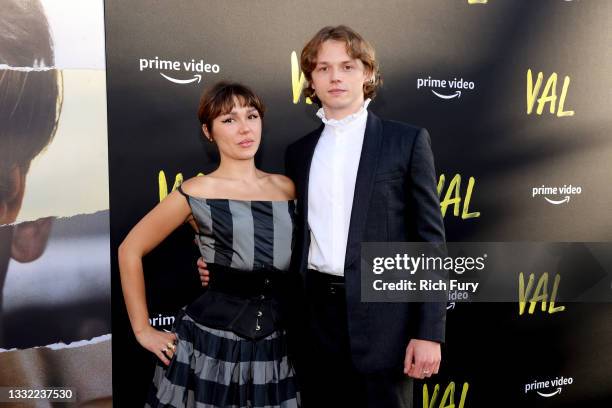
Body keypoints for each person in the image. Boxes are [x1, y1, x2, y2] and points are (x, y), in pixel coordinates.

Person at [199, 26, 446, 407]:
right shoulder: (299, 152)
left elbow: (430, 241)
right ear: (311, 78)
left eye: (347, 66)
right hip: (313, 321)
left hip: (385, 325)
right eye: (324, 68)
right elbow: (288, 236)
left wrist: (429, 332)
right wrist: (223, 265)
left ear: (367, 73)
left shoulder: (406, 141)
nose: (335, 77)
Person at [119, 82, 300, 408]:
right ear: (208, 131)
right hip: (210, 347)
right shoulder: (196, 191)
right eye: (229, 120)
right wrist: (143, 330)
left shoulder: (287, 188)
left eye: (252, 115)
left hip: (278, 346)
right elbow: (130, 249)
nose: (245, 128)